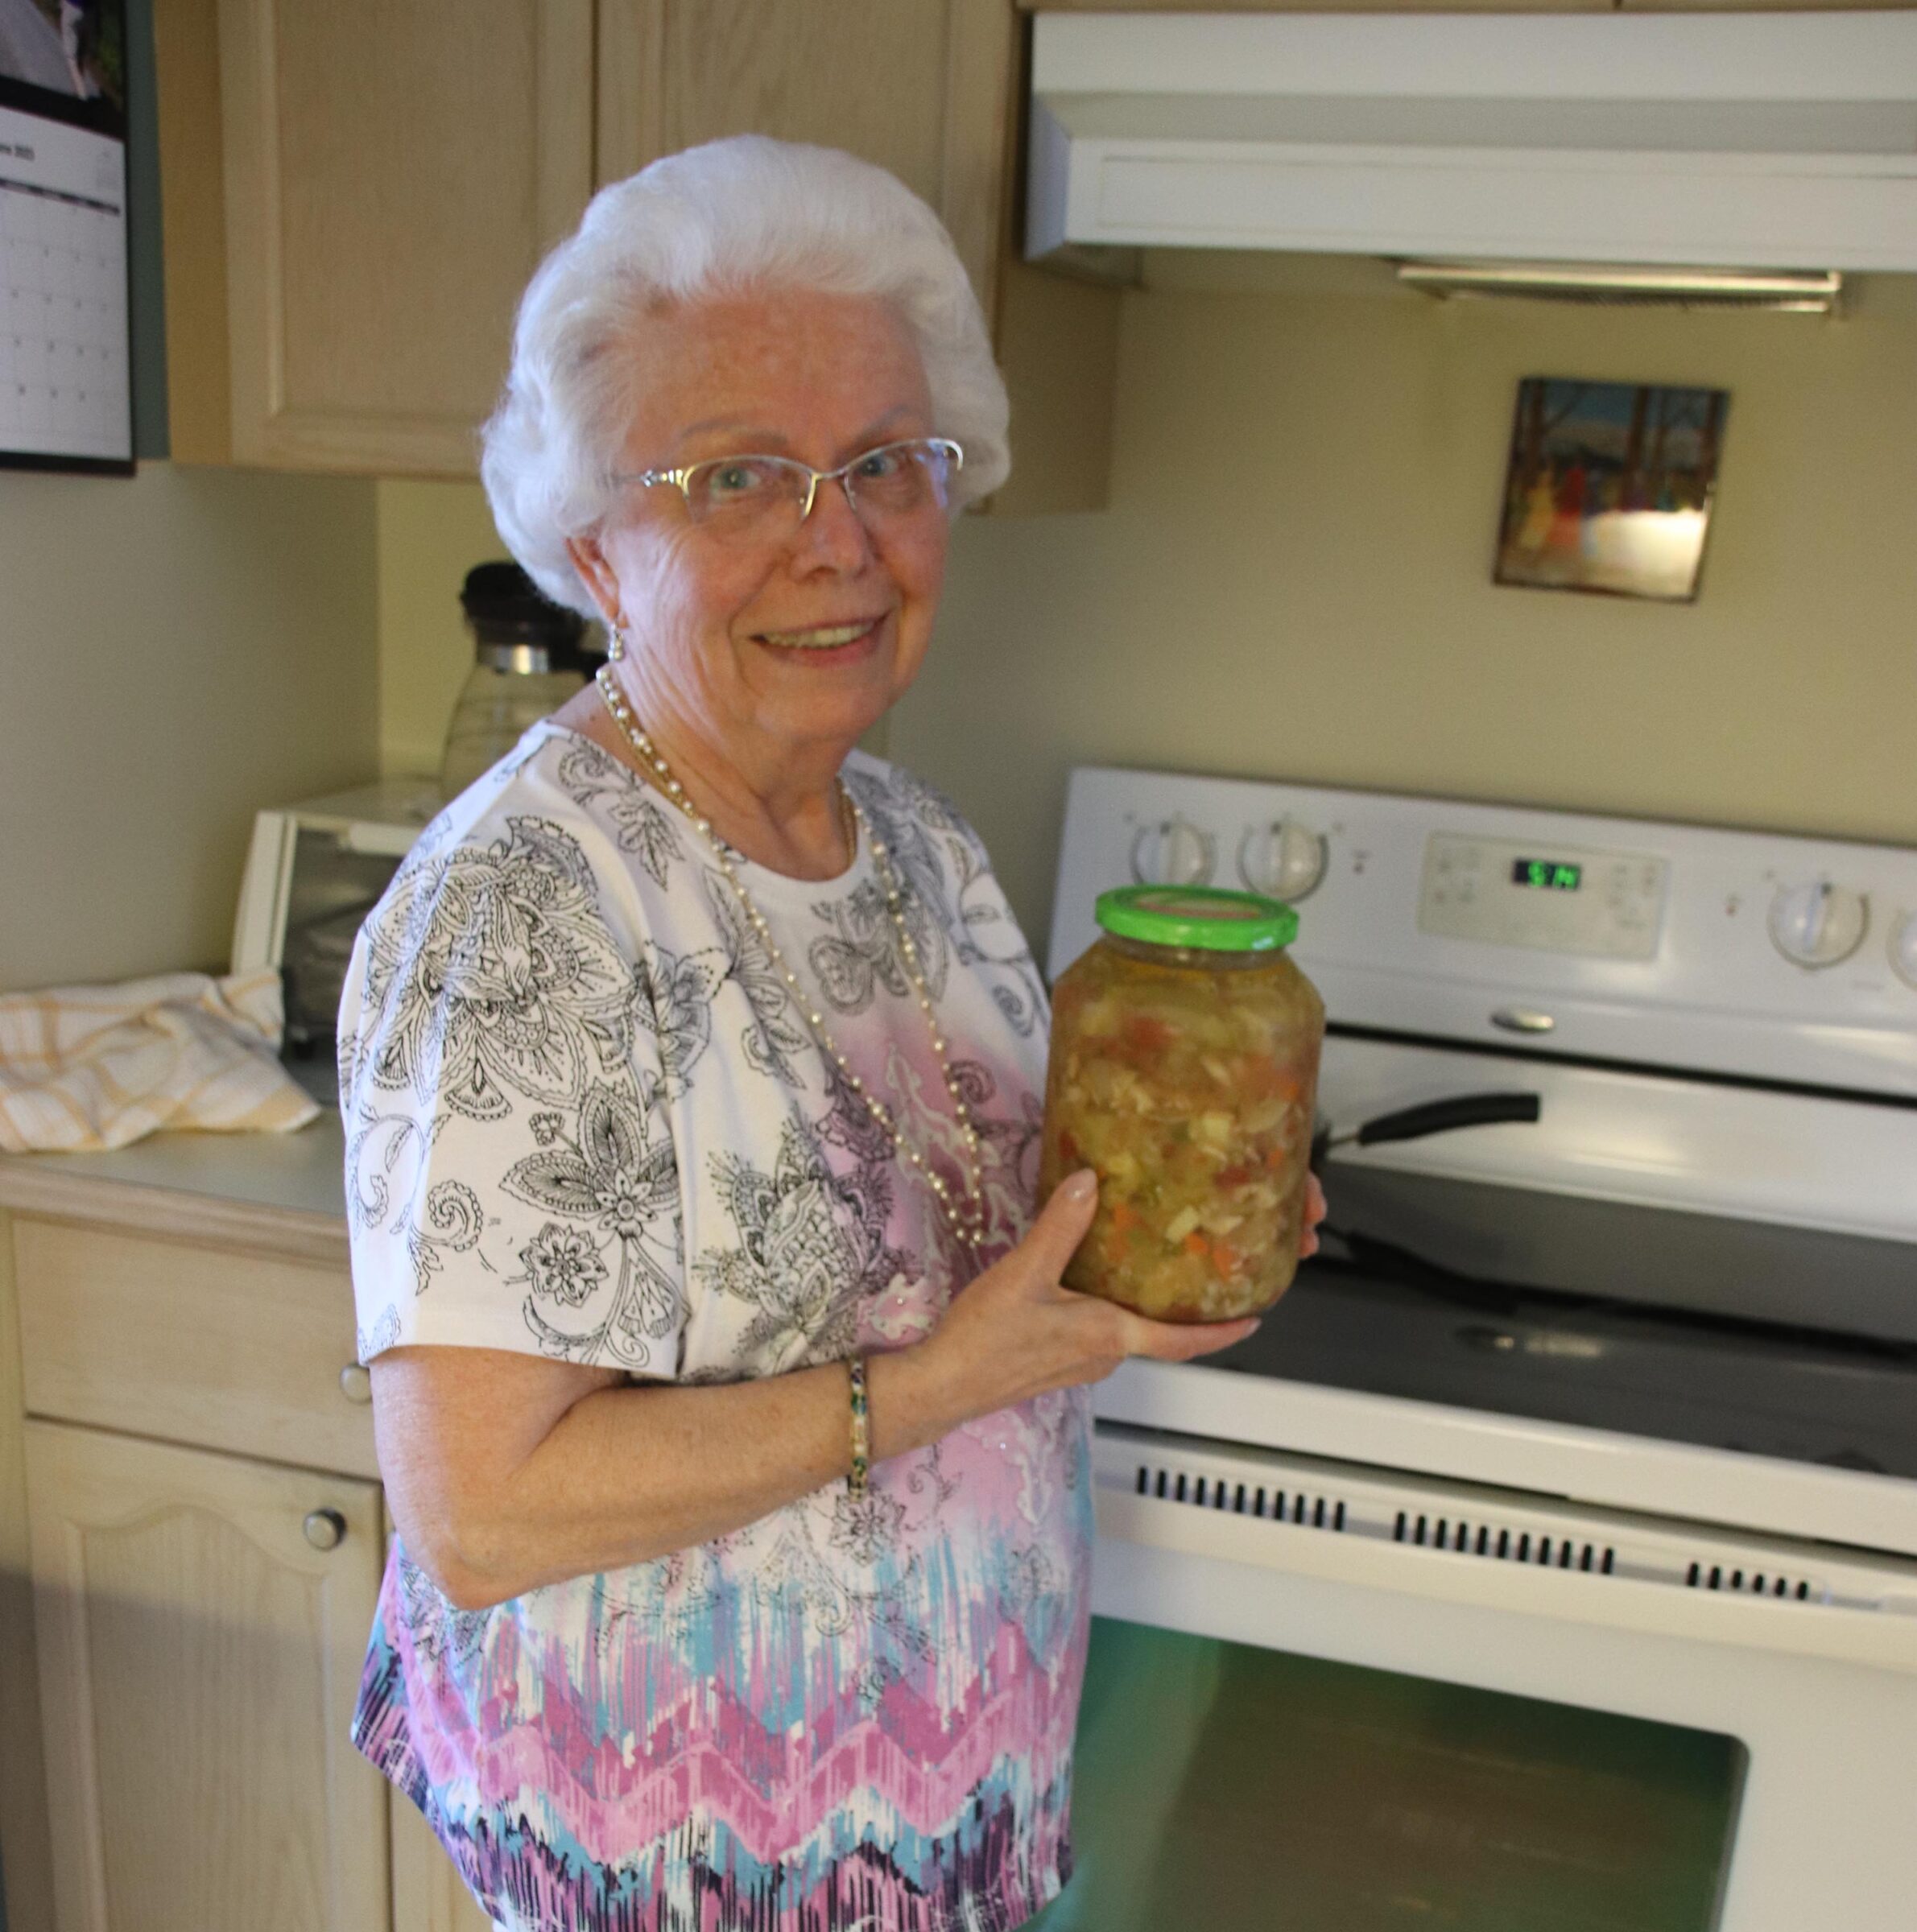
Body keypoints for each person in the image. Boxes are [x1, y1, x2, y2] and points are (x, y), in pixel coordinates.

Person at [338, 134, 1327, 1932]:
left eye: (889, 462)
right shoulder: (530, 910)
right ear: (593, 551)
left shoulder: (920, 847)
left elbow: (972, 1256)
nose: (842, 541)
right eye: (738, 479)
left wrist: (1188, 1202)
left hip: (945, 1817)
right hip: (688, 1856)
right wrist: (945, 1385)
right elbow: (481, 1514)